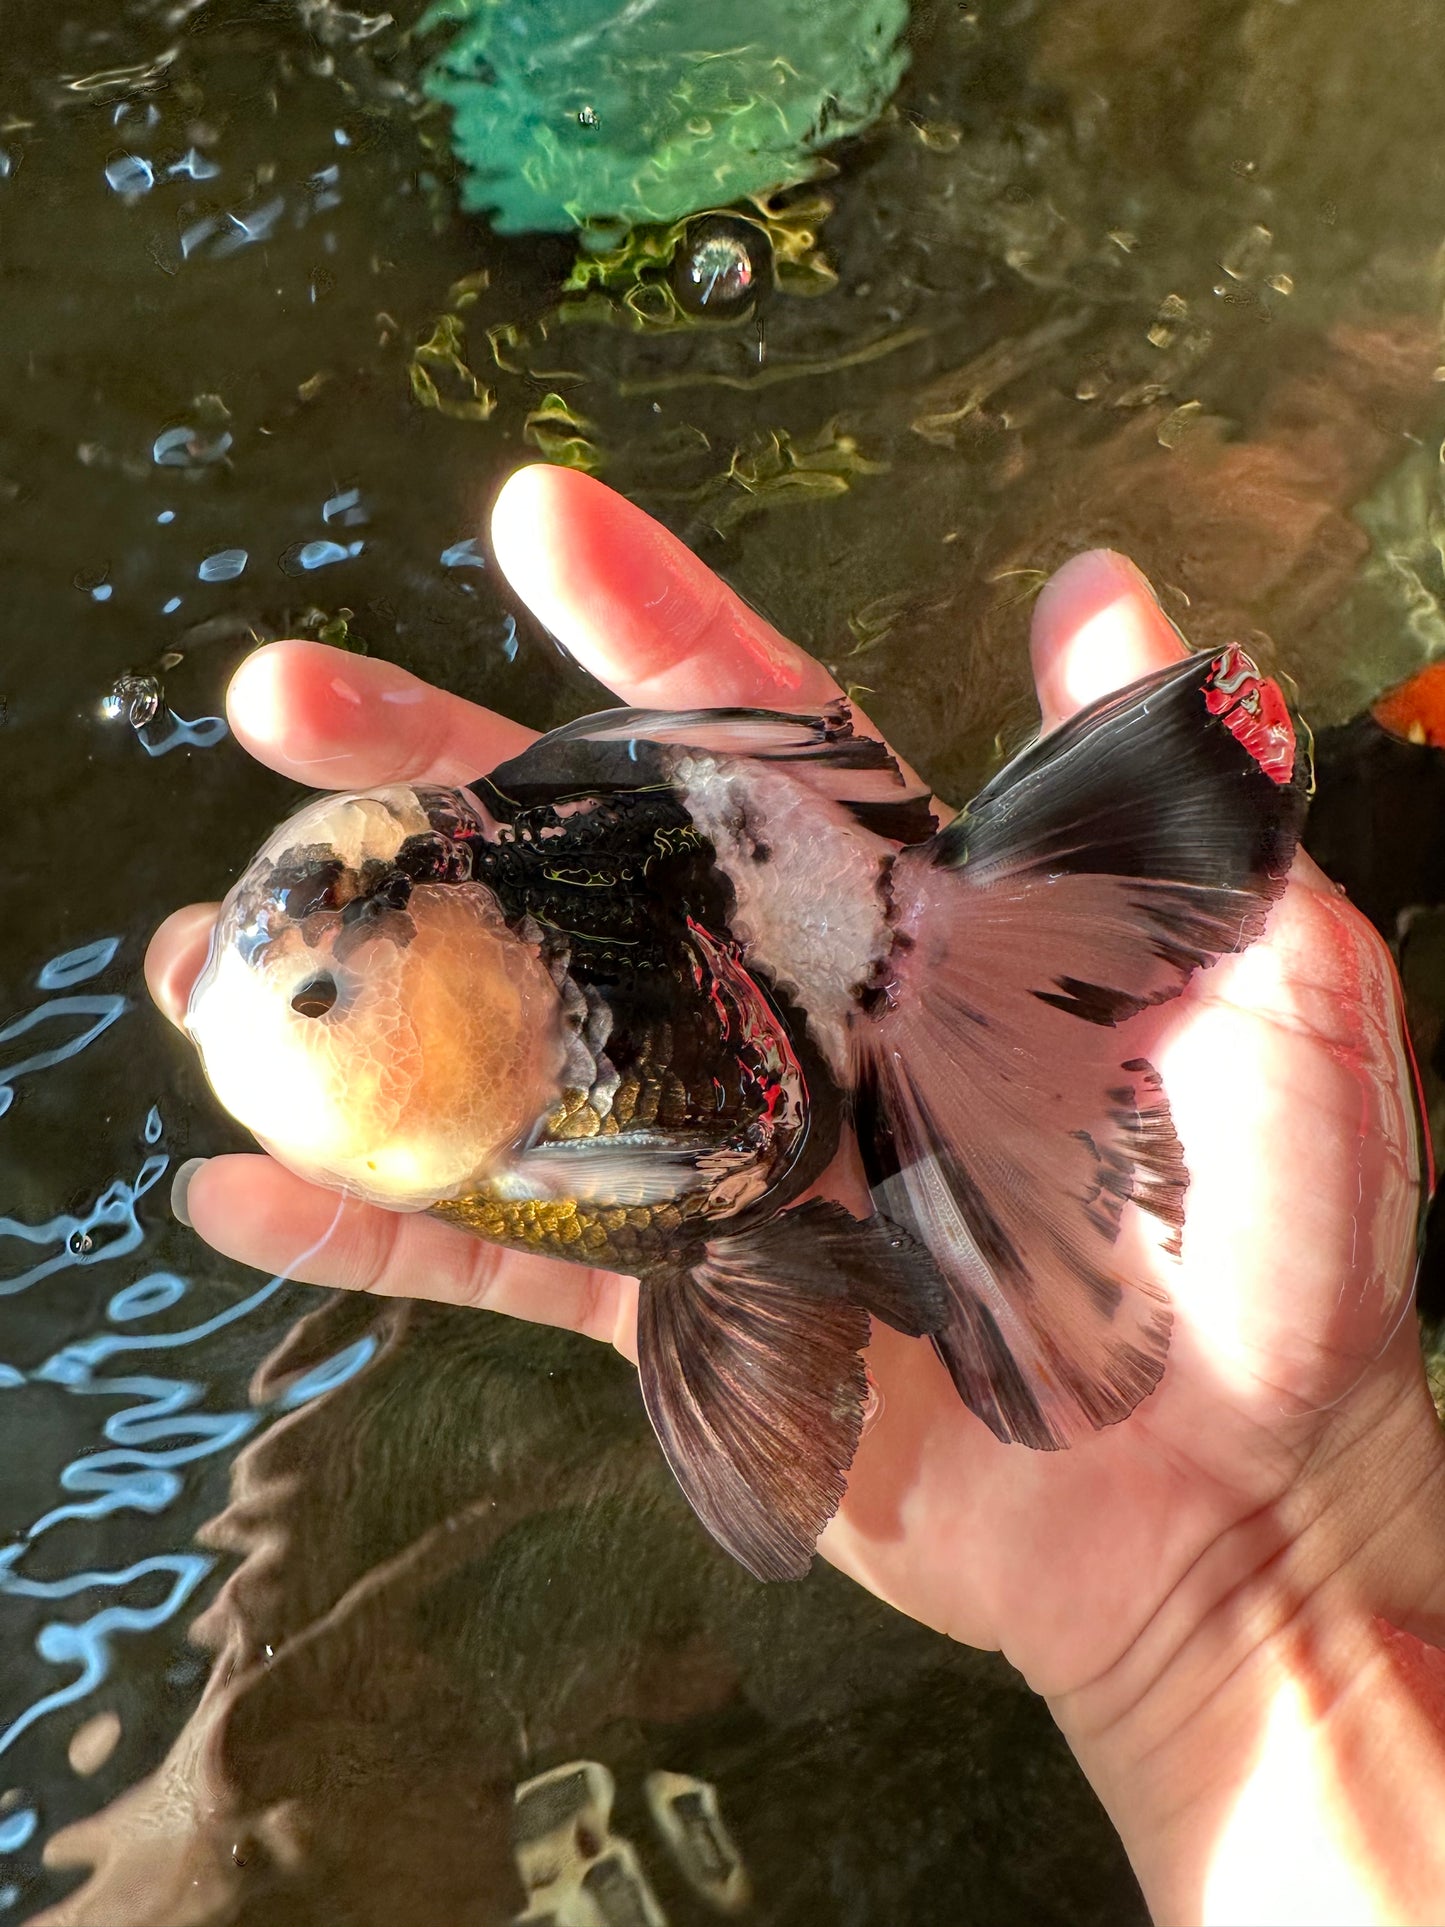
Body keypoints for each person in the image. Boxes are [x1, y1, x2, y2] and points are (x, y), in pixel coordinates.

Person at [148, 464, 1445, 1926]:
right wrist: (1210, 1626)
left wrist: (1217, 1613)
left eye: (321, 992)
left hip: (777, 976)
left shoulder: (525, 964)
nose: (291, 1007)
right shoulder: (471, 1003)